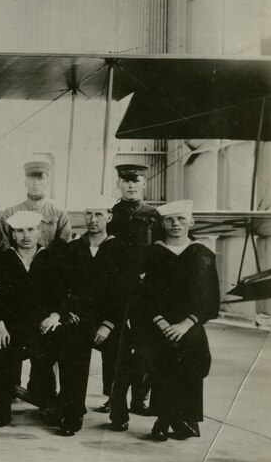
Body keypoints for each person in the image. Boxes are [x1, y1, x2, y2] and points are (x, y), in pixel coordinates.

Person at [139, 200, 219, 442]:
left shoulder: (202, 254)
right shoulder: (152, 253)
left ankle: (188, 417)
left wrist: (186, 324)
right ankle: (165, 419)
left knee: (195, 362)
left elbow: (211, 298)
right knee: (163, 362)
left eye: (181, 219)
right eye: (170, 220)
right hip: (159, 323)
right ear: (163, 223)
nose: (175, 224)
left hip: (191, 324)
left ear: (191, 222)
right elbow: (144, 295)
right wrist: (162, 322)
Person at [0, 160, 71, 409]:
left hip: (44, 287)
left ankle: (42, 395)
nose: (37, 183)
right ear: (25, 181)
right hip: (17, 288)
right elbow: (4, 252)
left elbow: (63, 252)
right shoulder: (10, 213)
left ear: (48, 181)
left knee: (46, 353)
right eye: (32, 179)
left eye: (42, 178)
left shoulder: (59, 214)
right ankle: (6, 396)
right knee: (8, 351)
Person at [55, 198, 129, 436]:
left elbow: (125, 293)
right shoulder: (73, 248)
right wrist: (67, 312)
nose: (92, 219)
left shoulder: (121, 249)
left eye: (98, 214)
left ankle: (119, 410)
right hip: (78, 318)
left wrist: (108, 324)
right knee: (71, 358)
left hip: (110, 320)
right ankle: (72, 413)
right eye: (88, 214)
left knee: (120, 357)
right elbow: (61, 286)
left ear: (109, 216)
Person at [93, 163, 161, 418]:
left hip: (145, 291)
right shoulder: (110, 214)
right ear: (118, 184)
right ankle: (112, 398)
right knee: (113, 347)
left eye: (136, 181)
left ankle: (140, 399)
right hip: (116, 290)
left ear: (144, 183)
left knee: (145, 345)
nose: (131, 185)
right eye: (126, 181)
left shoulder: (154, 215)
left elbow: (161, 250)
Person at [0, 209, 66, 427]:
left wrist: (54, 315)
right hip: (11, 326)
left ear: (39, 232)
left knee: (45, 361)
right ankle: (2, 411)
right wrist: (0, 325)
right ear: (12, 235)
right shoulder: (3, 260)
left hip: (41, 325)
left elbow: (60, 293)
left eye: (30, 229)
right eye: (19, 231)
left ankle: (49, 405)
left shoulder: (50, 259)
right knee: (4, 359)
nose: (26, 235)